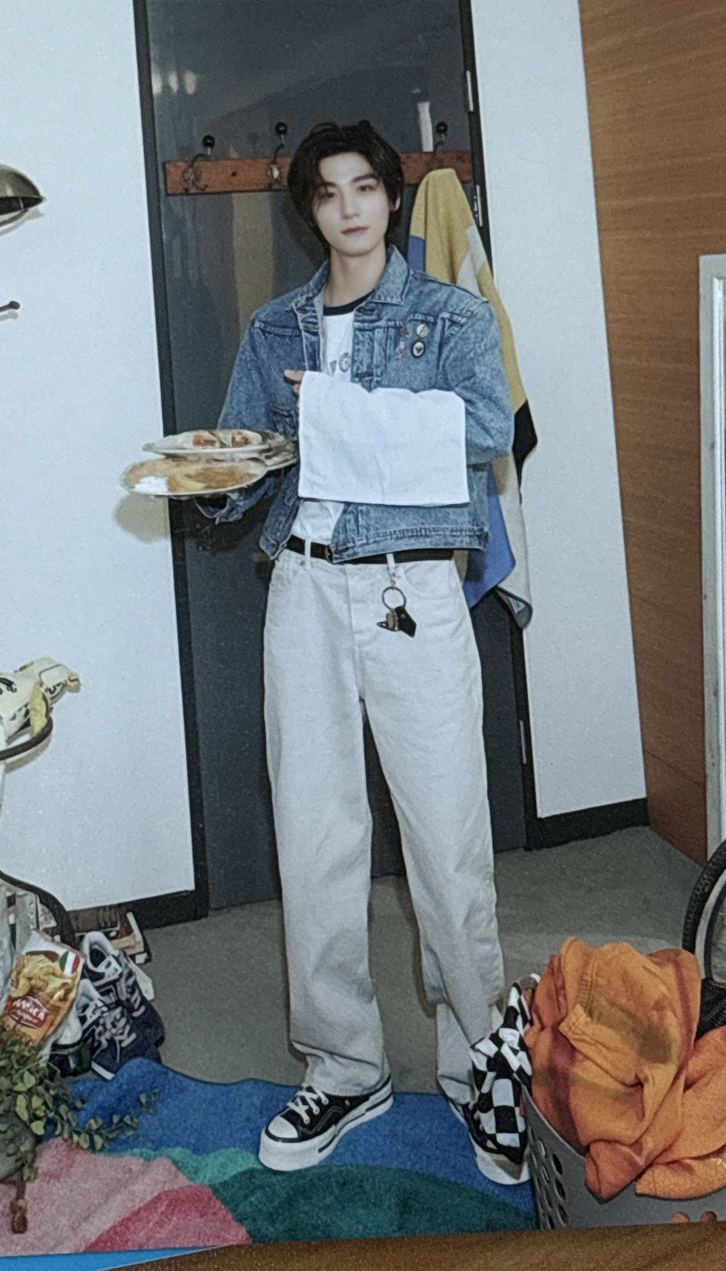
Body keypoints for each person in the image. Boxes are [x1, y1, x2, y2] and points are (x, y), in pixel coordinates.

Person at [200, 120, 518, 1181]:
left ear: (390, 197)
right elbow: (247, 461)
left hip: (409, 586)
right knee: (313, 832)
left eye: (366, 188)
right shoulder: (273, 327)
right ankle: (343, 1063)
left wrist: (338, 411)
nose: (349, 208)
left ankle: (479, 1063)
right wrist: (208, 478)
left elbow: (486, 432)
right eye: (328, 193)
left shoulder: (450, 315)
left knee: (446, 834)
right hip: (302, 583)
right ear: (310, 211)